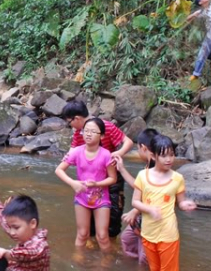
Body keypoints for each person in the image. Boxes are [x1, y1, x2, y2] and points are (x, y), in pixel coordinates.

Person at [127, 134, 196, 271]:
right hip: (148, 233)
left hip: (168, 234)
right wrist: (149, 209)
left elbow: (181, 201)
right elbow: (135, 202)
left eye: (171, 155)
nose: (169, 159)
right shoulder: (142, 176)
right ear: (153, 155)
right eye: (164, 155)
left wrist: (185, 205)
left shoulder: (177, 178)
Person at [62, 100, 133, 237]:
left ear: (76, 118)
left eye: (69, 122)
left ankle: (109, 245)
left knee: (113, 215)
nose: (70, 125)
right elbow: (72, 152)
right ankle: (93, 247)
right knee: (90, 213)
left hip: (110, 177)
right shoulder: (79, 133)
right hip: (91, 178)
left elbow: (128, 142)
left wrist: (118, 153)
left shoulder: (106, 126)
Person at [55, 118, 118, 252]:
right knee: (82, 234)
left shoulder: (106, 155)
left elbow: (113, 178)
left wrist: (97, 184)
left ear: (101, 136)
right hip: (81, 198)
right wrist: (73, 183)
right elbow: (59, 170)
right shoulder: (76, 152)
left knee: (102, 236)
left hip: (101, 200)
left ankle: (107, 261)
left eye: (93, 131)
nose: (88, 134)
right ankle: (78, 259)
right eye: (86, 131)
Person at [116, 128, 159, 227]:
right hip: (147, 210)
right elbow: (139, 186)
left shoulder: (155, 168)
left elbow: (153, 193)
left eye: (138, 148)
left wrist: (135, 211)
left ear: (143, 148)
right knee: (127, 237)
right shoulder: (150, 164)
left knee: (137, 237)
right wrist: (122, 169)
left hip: (151, 214)